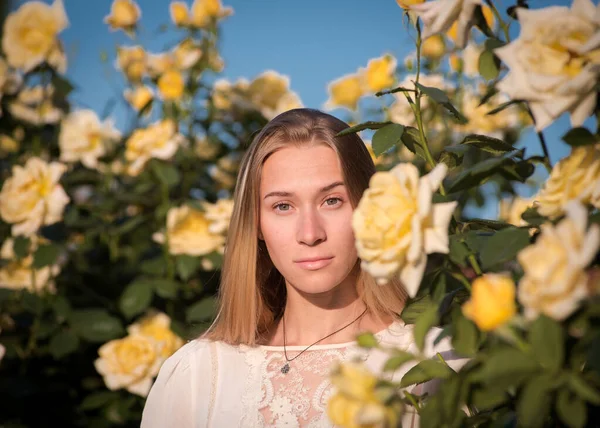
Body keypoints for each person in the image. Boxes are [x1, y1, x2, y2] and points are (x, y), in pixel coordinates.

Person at [140, 108, 463, 428]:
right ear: (256, 224)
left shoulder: (436, 361)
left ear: (370, 208)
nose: (310, 234)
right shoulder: (196, 375)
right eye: (283, 206)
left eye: (332, 200)